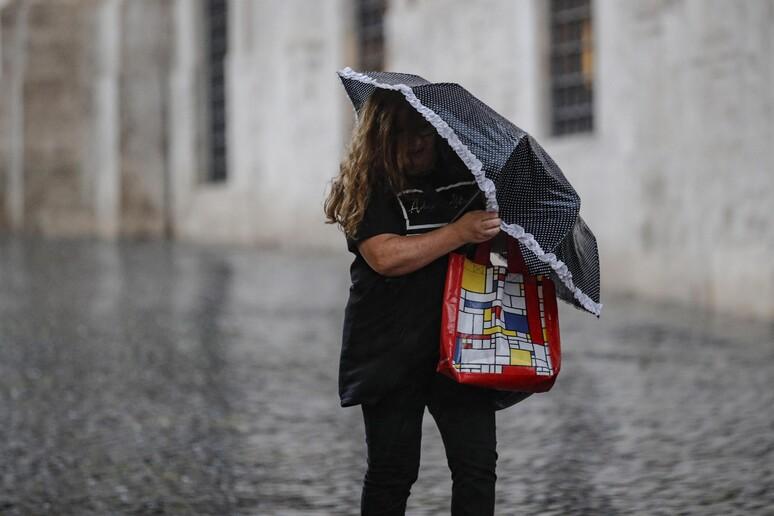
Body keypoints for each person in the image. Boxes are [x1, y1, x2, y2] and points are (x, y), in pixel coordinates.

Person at [324, 88, 530, 515]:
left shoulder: (466, 174)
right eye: (403, 134)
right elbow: (384, 256)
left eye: (425, 131)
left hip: (459, 345)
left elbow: (496, 238)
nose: (417, 142)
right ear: (381, 137)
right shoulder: (368, 183)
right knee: (392, 472)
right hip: (390, 347)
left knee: (476, 468)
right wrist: (459, 232)